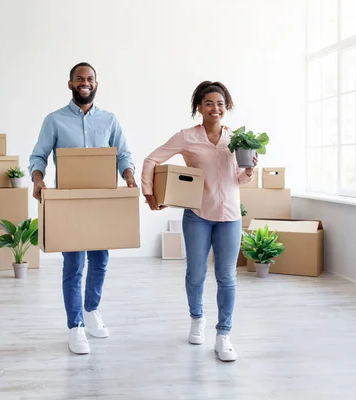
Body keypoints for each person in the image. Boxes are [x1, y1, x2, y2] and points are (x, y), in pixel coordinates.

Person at [141, 81, 256, 362]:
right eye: (208, 104)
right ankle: (197, 319)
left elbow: (238, 178)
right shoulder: (187, 137)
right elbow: (151, 159)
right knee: (196, 273)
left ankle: (223, 335)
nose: (214, 109)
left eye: (219, 104)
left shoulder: (237, 139)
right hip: (197, 216)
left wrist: (250, 170)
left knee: (227, 277)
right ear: (199, 108)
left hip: (229, 216)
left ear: (226, 107)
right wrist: (149, 193)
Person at [28, 62, 137, 355]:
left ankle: (91, 310)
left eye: (89, 79)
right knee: (74, 265)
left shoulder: (110, 120)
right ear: (70, 84)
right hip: (70, 202)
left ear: (96, 84)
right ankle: (74, 326)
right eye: (79, 79)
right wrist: (38, 180)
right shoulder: (54, 120)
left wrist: (128, 175)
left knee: (100, 261)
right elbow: (38, 156)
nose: (84, 82)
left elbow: (124, 153)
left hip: (101, 203)